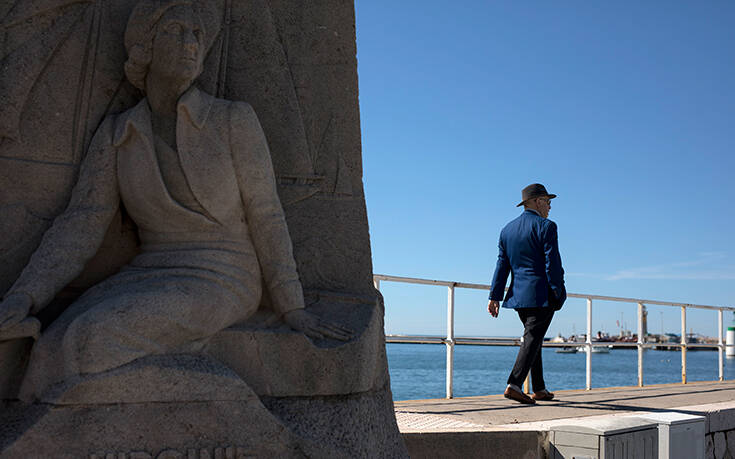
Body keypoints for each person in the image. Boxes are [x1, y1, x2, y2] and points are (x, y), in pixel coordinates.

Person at [0, 0, 349, 401]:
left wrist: (292, 307)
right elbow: (80, 224)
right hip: (148, 269)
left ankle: (194, 401)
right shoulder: (118, 133)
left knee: (95, 334)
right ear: (145, 48)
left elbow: (267, 215)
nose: (190, 44)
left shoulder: (233, 120)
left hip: (224, 274)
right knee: (55, 341)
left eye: (198, 35)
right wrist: (24, 296)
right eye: (176, 31)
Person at [487, 183, 566, 404]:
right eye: (548, 202)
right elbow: (553, 264)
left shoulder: (507, 230)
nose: (550, 207)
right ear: (537, 201)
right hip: (542, 294)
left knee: (534, 338)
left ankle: (539, 388)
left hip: (519, 297)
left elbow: (502, 266)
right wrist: (558, 291)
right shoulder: (546, 226)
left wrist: (494, 296)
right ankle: (514, 384)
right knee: (532, 337)